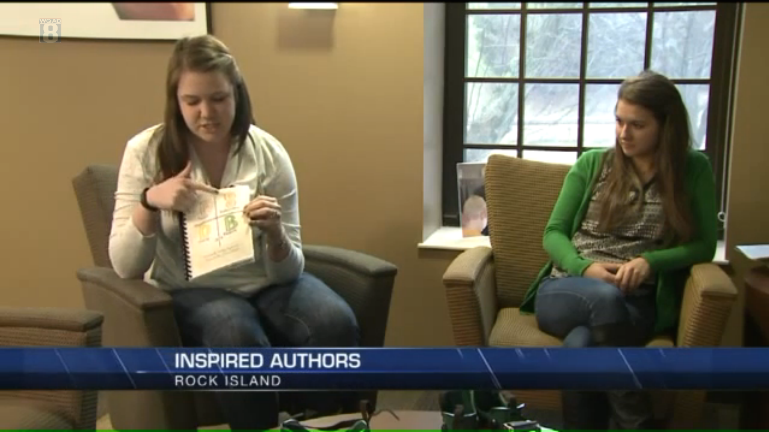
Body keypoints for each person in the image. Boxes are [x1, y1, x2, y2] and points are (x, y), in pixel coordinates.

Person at [108, 34, 360, 431]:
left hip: (267, 282)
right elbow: (123, 266)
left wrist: (276, 235)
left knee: (335, 321)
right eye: (192, 101)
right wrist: (149, 201)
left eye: (219, 98)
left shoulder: (268, 153)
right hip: (191, 290)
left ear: (237, 95)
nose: (207, 112)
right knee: (237, 334)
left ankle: (323, 424)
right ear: (176, 101)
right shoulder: (145, 151)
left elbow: (289, 271)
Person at [518, 71, 718, 429]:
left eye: (637, 125)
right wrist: (584, 268)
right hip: (566, 289)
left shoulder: (693, 169)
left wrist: (650, 262)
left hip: (635, 302)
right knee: (604, 300)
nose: (623, 133)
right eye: (619, 121)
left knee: (579, 348)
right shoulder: (593, 164)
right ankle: (635, 422)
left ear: (665, 125)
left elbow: (703, 245)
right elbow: (553, 233)